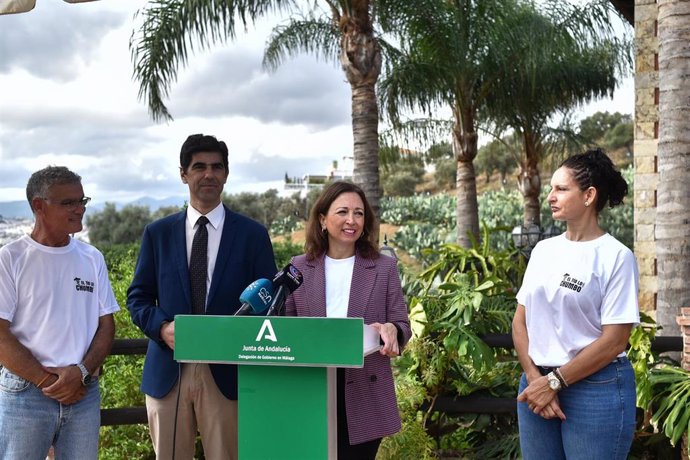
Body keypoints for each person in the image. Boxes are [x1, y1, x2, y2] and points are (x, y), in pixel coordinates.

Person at [127, 134, 277, 460]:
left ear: (226, 173)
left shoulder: (253, 235)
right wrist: (162, 327)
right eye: (199, 167)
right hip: (169, 370)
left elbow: (271, 302)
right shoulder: (158, 234)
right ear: (184, 174)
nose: (208, 174)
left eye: (216, 167)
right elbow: (138, 297)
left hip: (228, 372)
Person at [512, 148, 640, 460]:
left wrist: (555, 381)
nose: (550, 197)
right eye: (551, 189)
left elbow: (615, 340)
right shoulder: (543, 250)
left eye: (561, 189)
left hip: (596, 388)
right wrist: (536, 378)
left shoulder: (616, 256)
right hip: (536, 384)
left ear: (589, 196)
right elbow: (520, 322)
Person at [284, 181, 412, 460]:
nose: (351, 220)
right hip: (311, 389)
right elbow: (286, 327)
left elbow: (402, 324)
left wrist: (392, 330)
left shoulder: (383, 267)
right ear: (322, 219)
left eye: (359, 213)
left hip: (365, 388)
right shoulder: (298, 268)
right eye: (342, 212)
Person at [0, 166, 119, 459]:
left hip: (83, 392)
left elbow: (107, 325)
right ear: (38, 206)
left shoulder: (92, 257)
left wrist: (79, 374)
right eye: (68, 202)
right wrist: (48, 381)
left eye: (82, 201)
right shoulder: (10, 258)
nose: (80, 209)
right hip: (25, 393)